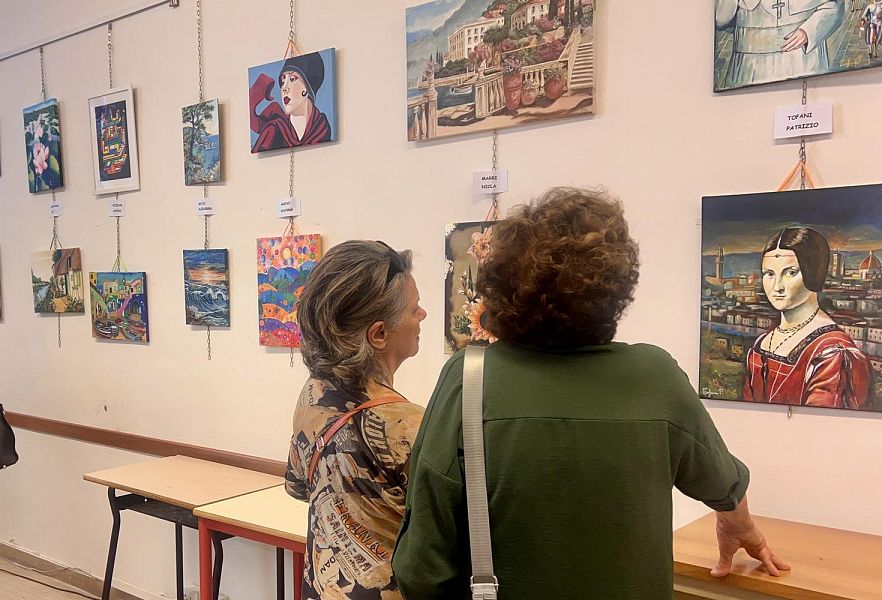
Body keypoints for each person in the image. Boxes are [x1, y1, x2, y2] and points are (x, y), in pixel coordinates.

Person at [392, 188, 788, 599]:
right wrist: (740, 526)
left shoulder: (470, 379)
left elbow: (422, 568)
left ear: (502, 287)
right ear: (615, 288)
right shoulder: (655, 378)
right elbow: (723, 484)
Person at [285, 240, 427, 599]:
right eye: (414, 309)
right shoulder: (410, 425)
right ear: (378, 334)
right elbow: (442, 543)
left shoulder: (313, 394)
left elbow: (297, 486)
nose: (423, 315)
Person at [743, 227, 874, 409]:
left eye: (790, 272)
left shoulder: (832, 353)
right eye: (769, 274)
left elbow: (822, 420)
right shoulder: (762, 343)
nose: (777, 287)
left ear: (814, 272)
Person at [715, 0, 844, 89]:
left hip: (801, 59)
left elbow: (834, 8)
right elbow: (720, 19)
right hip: (750, 65)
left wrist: (808, 31)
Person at [250, 53, 332, 152]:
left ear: (307, 88)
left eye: (292, 79)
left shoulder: (322, 128)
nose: (284, 88)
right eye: (283, 81)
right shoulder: (273, 131)